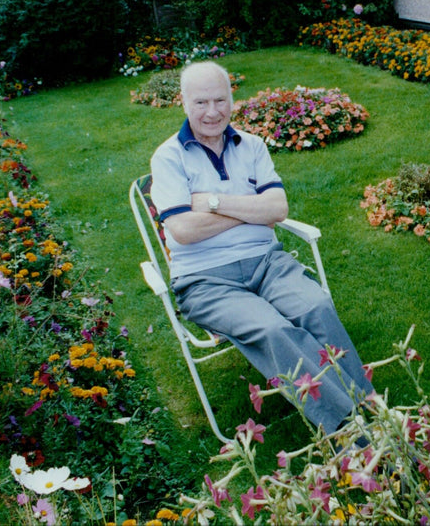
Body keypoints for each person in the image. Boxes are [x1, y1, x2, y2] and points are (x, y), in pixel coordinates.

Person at [149, 61, 374, 436]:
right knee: (274, 330)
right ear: (184, 103)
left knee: (316, 307)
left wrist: (216, 203)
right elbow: (184, 231)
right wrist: (252, 210)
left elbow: (278, 210)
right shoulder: (168, 157)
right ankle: (349, 432)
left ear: (232, 99)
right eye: (201, 102)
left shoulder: (251, 145)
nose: (212, 112)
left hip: (268, 264)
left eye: (220, 100)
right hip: (206, 281)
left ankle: (370, 407)